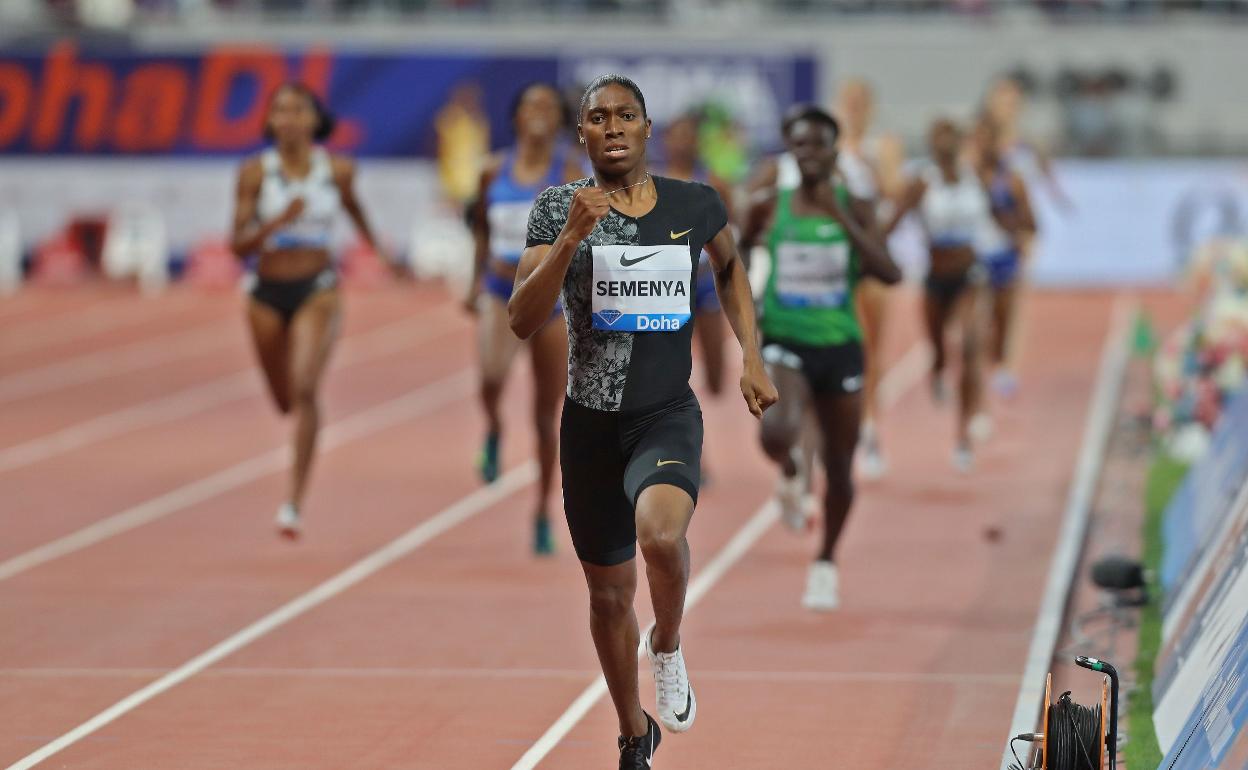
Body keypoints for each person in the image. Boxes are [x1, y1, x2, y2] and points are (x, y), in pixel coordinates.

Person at [509, 74, 777, 769]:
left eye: (627, 114)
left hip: (663, 416)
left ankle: (667, 643)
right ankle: (634, 734)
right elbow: (520, 318)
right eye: (599, 117)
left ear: (647, 127)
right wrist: (571, 238)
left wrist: (752, 355)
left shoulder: (693, 203)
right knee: (605, 595)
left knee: (661, 537)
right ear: (584, 135)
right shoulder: (555, 208)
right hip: (589, 427)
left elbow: (733, 270)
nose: (615, 126)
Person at [740, 105, 901, 610]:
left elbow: (890, 272)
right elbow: (736, 253)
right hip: (785, 338)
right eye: (799, 145)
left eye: (817, 145)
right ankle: (790, 471)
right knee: (775, 429)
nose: (808, 154)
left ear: (834, 150)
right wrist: (752, 300)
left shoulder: (856, 204)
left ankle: (826, 560)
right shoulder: (769, 204)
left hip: (841, 347)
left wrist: (844, 220)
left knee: (839, 464)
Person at [230, 83, 385, 537]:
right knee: (282, 400)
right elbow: (236, 244)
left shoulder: (336, 169)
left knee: (304, 388)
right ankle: (294, 474)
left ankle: (293, 501)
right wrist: (275, 223)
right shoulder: (255, 172)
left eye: (298, 110)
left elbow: (356, 210)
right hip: (265, 292)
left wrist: (380, 252)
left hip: (317, 287)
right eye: (280, 111)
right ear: (270, 121)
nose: (289, 118)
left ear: (315, 120)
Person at [465, 82, 582, 555]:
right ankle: (493, 426)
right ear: (516, 116)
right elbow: (481, 230)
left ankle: (540, 511)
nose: (540, 112)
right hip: (499, 289)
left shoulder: (568, 169)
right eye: (531, 104)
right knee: (491, 374)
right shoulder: (493, 171)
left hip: (552, 300)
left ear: (558, 121)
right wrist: (474, 280)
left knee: (545, 414)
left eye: (549, 107)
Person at [884, 118, 991, 472]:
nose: (944, 145)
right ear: (931, 145)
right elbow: (891, 222)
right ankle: (938, 368)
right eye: (937, 138)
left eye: (950, 138)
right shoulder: (922, 184)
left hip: (970, 277)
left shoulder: (977, 177)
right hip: (935, 278)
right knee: (939, 350)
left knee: (969, 342)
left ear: (959, 143)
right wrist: (870, 253)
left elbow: (1008, 211)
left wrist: (1017, 232)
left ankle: (964, 435)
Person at [655, 113, 731, 429]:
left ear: (698, 142)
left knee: (716, 379)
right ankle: (685, 439)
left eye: (689, 135)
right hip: (668, 288)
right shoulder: (651, 183)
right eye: (677, 135)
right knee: (671, 371)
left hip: (704, 283)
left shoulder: (713, 182)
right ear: (665, 141)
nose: (683, 142)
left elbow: (731, 232)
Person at [971, 115, 1037, 400]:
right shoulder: (963, 177)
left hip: (1004, 255)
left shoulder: (1011, 179)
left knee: (1002, 318)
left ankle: (1000, 366)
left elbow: (1031, 222)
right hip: (974, 257)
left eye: (989, 140)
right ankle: (978, 368)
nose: (983, 146)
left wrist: (1018, 234)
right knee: (974, 320)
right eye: (978, 140)